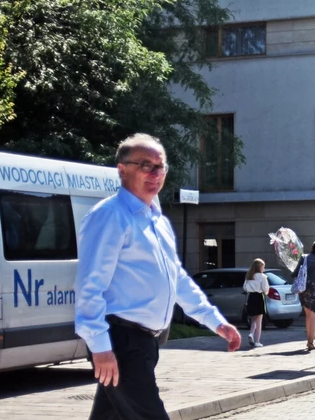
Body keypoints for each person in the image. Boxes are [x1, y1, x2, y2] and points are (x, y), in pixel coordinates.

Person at [75, 133, 241, 420]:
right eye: (145, 165)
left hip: (146, 343)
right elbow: (90, 287)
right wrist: (100, 347)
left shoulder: (157, 220)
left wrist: (214, 321)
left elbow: (176, 278)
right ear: (122, 169)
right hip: (120, 342)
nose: (155, 174)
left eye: (160, 166)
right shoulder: (110, 215)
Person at [243, 259, 269, 349]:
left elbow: (245, 287)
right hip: (259, 297)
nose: (264, 268)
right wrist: (265, 292)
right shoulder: (263, 277)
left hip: (251, 297)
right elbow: (265, 289)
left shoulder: (249, 276)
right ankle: (257, 341)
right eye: (263, 266)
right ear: (260, 267)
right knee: (259, 321)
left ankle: (251, 333)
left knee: (253, 318)